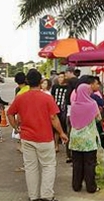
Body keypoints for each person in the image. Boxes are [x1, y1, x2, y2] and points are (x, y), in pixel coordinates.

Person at [7, 69, 68, 201]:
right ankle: (46, 196)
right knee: (48, 166)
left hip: (27, 138)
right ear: (41, 81)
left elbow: (10, 113)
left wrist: (15, 127)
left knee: (31, 168)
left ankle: (33, 197)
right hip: (45, 138)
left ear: (27, 81)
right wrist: (62, 133)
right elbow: (53, 118)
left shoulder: (20, 98)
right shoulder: (47, 98)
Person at [69, 83, 101, 193]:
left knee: (77, 163)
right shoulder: (93, 104)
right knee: (89, 164)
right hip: (88, 139)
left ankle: (76, 186)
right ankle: (91, 187)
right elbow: (98, 119)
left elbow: (71, 120)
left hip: (75, 139)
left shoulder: (73, 104)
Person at [64, 66, 79, 163]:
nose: (65, 75)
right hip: (74, 111)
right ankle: (72, 155)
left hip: (71, 111)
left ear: (70, 72)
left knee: (69, 133)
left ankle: (70, 155)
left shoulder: (71, 82)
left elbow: (68, 97)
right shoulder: (77, 82)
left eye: (66, 73)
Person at [51, 72, 68, 152]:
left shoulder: (68, 87)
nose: (60, 79)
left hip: (64, 109)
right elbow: (52, 97)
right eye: (59, 77)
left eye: (62, 77)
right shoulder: (55, 87)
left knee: (64, 126)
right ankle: (56, 145)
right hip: (56, 108)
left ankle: (66, 145)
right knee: (55, 128)